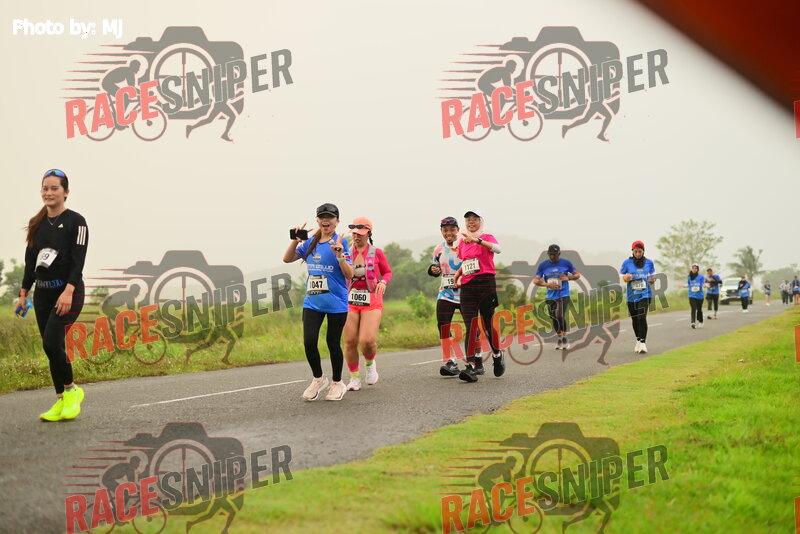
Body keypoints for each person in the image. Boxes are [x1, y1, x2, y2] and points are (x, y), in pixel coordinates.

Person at [18, 169, 88, 421]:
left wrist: (68, 291)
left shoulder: (76, 222)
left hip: (68, 293)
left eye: (54, 188)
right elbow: (31, 262)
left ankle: (72, 391)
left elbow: (78, 261)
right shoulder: (36, 224)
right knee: (53, 348)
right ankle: (61, 400)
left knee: (51, 343)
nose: (49, 192)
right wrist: (23, 293)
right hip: (43, 294)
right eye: (45, 188)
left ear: (66, 192)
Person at [283, 203, 353, 401]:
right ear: (318, 220)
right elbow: (287, 259)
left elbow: (350, 274)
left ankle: (338, 383)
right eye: (322, 217)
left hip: (336, 303)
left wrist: (339, 255)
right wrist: (295, 241)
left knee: (332, 342)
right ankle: (318, 378)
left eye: (329, 217)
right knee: (309, 341)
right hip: (313, 302)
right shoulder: (310, 243)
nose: (325, 220)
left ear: (337, 221)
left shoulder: (340, 242)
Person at [452, 210, 505, 382]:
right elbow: (467, 261)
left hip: (486, 283)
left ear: (480, 221)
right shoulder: (462, 242)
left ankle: (497, 354)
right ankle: (471, 366)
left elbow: (498, 249)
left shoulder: (487, 237)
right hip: (468, 286)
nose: (471, 222)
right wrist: (457, 274)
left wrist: (478, 241)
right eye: (468, 219)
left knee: (487, 323)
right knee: (471, 326)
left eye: (475, 219)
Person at [343, 217, 392, 391]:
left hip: (372, 299)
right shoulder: (346, 252)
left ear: (369, 234)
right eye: (354, 234)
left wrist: (383, 282)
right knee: (349, 341)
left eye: (361, 234)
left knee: (367, 340)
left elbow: (387, 272)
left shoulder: (377, 252)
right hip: (350, 300)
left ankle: (370, 364)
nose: (357, 237)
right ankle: (354, 378)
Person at [427, 216, 464, 377]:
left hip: (465, 293)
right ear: (441, 231)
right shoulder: (438, 249)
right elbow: (436, 268)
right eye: (445, 230)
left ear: (458, 230)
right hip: (446, 293)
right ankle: (451, 361)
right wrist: (433, 270)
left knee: (472, 327)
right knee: (443, 325)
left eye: (452, 230)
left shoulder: (465, 245)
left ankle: (476, 360)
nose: (449, 233)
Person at [534, 244, 581, 350]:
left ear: (559, 254)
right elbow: (536, 280)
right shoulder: (543, 265)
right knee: (553, 317)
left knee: (559, 314)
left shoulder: (566, 263)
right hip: (550, 296)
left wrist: (569, 277)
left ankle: (564, 338)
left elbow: (577, 275)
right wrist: (547, 284)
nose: (552, 257)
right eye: (550, 255)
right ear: (548, 254)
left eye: (554, 255)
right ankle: (560, 337)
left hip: (563, 294)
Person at [620, 241, 655, 353]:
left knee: (641, 317)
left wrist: (652, 279)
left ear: (643, 251)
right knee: (635, 319)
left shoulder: (649, 263)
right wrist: (625, 277)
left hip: (645, 294)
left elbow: (653, 275)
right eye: (636, 251)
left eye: (640, 251)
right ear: (632, 251)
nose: (638, 254)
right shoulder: (627, 263)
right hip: (631, 296)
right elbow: (621, 274)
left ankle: (643, 343)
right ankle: (638, 340)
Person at [686, 264, 705, 328]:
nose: (694, 269)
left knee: (699, 309)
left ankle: (700, 321)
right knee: (693, 308)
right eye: (693, 268)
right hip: (691, 295)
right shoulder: (689, 277)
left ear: (698, 269)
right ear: (691, 269)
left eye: (696, 268)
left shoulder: (701, 277)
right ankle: (693, 322)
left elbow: (702, 284)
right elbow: (689, 284)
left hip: (699, 296)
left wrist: (699, 286)